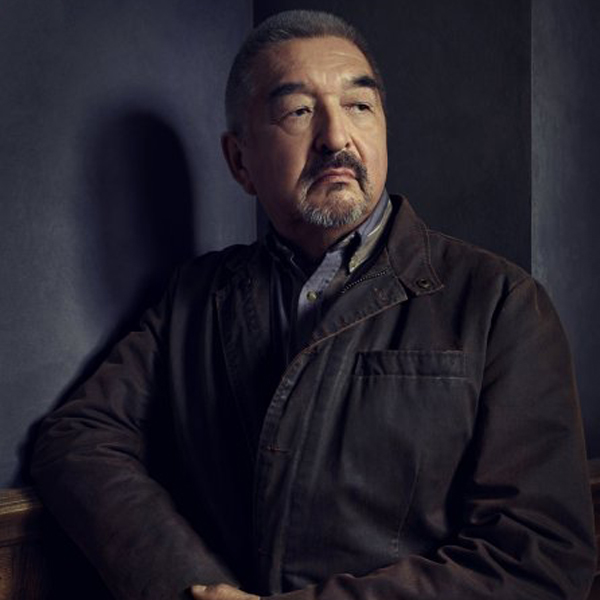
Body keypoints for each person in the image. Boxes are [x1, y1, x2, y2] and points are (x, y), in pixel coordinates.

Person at [31, 10, 596, 600]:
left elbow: (540, 560)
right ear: (240, 161)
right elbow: (78, 439)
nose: (336, 137)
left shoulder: (498, 302)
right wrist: (194, 588)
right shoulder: (195, 299)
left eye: (359, 105)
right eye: (299, 111)